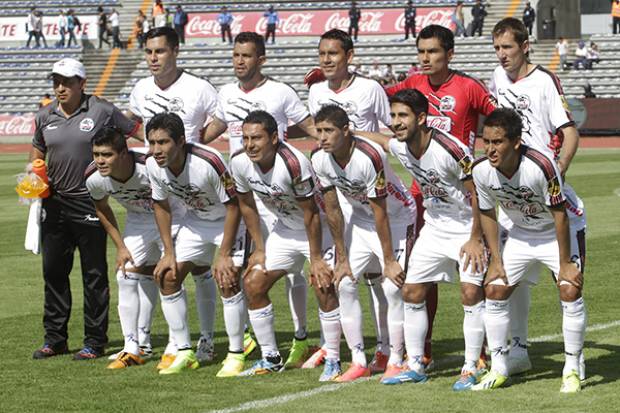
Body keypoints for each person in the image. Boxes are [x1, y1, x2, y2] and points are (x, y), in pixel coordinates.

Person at [357, 89, 487, 391]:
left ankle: (471, 367)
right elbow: (383, 142)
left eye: (403, 116)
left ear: (422, 118)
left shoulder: (450, 150)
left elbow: (479, 192)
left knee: (470, 294)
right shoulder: (402, 145)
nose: (396, 122)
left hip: (467, 228)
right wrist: (352, 131)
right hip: (434, 227)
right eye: (393, 116)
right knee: (412, 293)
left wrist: (476, 238)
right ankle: (415, 364)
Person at [128, 27, 242, 369]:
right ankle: (176, 346)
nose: (153, 58)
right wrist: (159, 148)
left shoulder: (199, 88)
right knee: (163, 270)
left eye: (159, 51)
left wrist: (191, 146)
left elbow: (220, 119)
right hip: (172, 190)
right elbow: (137, 123)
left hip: (204, 192)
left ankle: (224, 344)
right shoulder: (141, 90)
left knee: (216, 273)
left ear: (175, 51)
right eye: (148, 52)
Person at [202, 32, 316, 374]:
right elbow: (213, 128)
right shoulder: (225, 93)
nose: (240, 61)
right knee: (251, 271)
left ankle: (300, 338)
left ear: (261, 59)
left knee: (297, 275)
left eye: (247, 55)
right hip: (249, 190)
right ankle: (253, 342)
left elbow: (308, 126)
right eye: (236, 55)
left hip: (286, 190)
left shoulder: (281, 92)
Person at [386, 24, 496, 367]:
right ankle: (424, 348)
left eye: (432, 52)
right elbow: (385, 101)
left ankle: (480, 352)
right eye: (420, 52)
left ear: (449, 54)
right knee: (420, 279)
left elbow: (501, 124)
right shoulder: (412, 84)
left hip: (463, 191)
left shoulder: (469, 87)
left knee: (473, 283)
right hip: (425, 195)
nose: (425, 58)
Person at [489, 17, 587, 380]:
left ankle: (574, 365)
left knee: (567, 283)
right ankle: (517, 352)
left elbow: (570, 132)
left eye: (508, 48)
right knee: (507, 283)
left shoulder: (544, 80)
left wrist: (557, 171)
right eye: (497, 48)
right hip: (513, 197)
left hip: (544, 190)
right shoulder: (497, 79)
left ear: (525, 46)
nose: (502, 55)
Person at [30, 58, 140, 361]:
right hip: (53, 202)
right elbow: (38, 149)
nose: (60, 88)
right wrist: (33, 172)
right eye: (56, 82)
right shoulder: (44, 115)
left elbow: (134, 132)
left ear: (82, 83)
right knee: (53, 272)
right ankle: (55, 339)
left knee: (94, 274)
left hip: (90, 201)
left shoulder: (102, 109)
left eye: (66, 82)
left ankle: (94, 341)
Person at [470, 108, 586, 394]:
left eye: (497, 142)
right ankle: (499, 368)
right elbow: (486, 213)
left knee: (569, 289)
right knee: (495, 289)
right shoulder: (481, 170)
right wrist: (496, 261)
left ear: (516, 142)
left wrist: (564, 264)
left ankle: (572, 368)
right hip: (521, 233)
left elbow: (560, 215)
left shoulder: (541, 166)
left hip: (558, 230)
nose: (490, 149)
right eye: (486, 142)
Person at [306, 29, 393, 374]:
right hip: (334, 192)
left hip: (369, 187)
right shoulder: (314, 92)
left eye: (334, 54)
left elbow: (390, 134)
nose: (327, 60)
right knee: (336, 273)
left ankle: (386, 349)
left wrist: (357, 138)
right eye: (322, 54)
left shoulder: (370, 89)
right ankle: (335, 349)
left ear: (350, 56)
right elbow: (318, 135)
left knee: (378, 283)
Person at [230, 111, 341, 381]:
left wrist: (315, 258)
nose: (250, 144)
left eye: (256, 138)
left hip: (318, 230)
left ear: (275, 137)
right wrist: (259, 248)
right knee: (253, 283)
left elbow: (312, 213)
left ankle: (334, 359)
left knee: (323, 284)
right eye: (245, 138)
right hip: (284, 230)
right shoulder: (239, 162)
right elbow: (246, 205)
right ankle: (270, 357)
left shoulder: (293, 163)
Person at [311, 105, 416, 382]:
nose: (322, 137)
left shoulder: (369, 156)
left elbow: (380, 211)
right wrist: (341, 258)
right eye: (318, 131)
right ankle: (358, 360)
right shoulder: (319, 158)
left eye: (328, 131)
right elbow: (332, 209)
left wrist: (389, 261)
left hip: (395, 218)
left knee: (392, 288)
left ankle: (394, 358)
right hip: (359, 219)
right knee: (343, 281)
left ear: (345, 131)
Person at [145, 112, 247, 375]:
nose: (156, 150)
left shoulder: (209, 161)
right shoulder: (153, 164)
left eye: (163, 142)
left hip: (228, 221)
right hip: (196, 222)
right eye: (152, 142)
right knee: (167, 276)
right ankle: (184, 351)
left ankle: (236, 353)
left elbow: (234, 206)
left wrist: (223, 254)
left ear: (180, 141)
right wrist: (168, 253)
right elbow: (160, 205)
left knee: (227, 279)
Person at [85, 127, 179, 368]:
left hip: (172, 217)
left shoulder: (150, 166)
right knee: (124, 275)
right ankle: (132, 347)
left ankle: (177, 344)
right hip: (137, 221)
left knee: (169, 277)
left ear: (124, 154)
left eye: (107, 155)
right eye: (96, 154)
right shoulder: (93, 177)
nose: (100, 160)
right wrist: (120, 246)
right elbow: (101, 208)